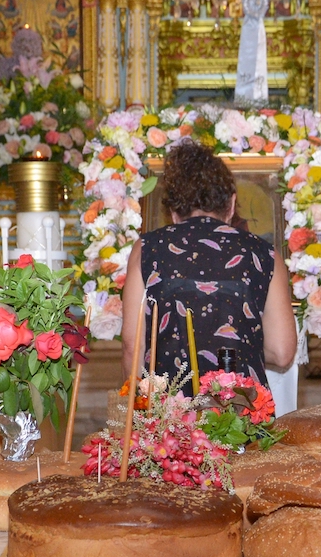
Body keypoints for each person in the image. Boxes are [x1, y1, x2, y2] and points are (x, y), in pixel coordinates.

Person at [120, 141, 296, 391]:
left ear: (173, 211)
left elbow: (132, 346)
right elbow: (282, 351)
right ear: (231, 204)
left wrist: (137, 403)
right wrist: (240, 345)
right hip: (239, 407)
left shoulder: (148, 248)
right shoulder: (264, 253)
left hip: (169, 408)